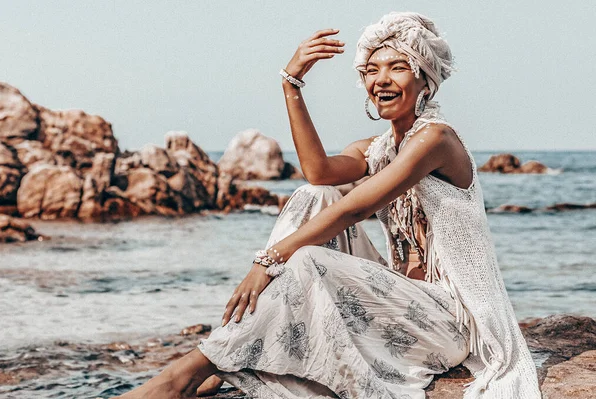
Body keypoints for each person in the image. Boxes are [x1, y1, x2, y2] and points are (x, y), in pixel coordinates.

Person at [113, 11, 541, 399]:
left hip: (448, 322)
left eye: (397, 67)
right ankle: (228, 353)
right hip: (399, 303)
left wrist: (268, 261)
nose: (381, 79)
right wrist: (291, 82)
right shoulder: (376, 149)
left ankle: (188, 373)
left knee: (309, 260)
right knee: (313, 196)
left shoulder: (436, 139)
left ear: (425, 78)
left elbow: (355, 209)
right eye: (372, 70)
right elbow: (316, 172)